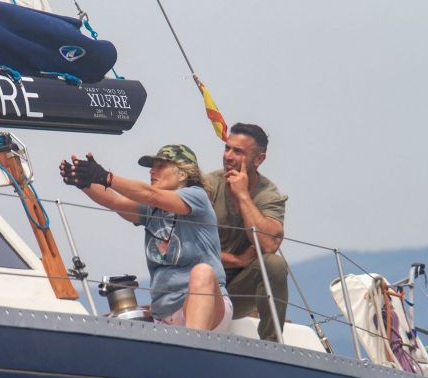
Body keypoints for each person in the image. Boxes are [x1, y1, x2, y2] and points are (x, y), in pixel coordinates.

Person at [60, 144, 233, 332]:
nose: (152, 171)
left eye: (160, 166)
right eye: (152, 167)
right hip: (165, 316)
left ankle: (193, 344)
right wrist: (85, 182)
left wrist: (107, 177)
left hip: (209, 309)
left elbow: (152, 195)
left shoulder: (197, 197)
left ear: (183, 174)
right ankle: (187, 342)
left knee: (203, 272)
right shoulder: (153, 209)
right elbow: (116, 202)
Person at [206, 123, 289, 342]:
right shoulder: (208, 186)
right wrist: (236, 260)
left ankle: (272, 345)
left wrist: (243, 196)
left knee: (274, 264)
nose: (228, 156)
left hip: (237, 290)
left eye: (238, 151)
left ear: (259, 159)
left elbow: (268, 246)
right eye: (227, 148)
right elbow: (188, 247)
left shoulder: (269, 195)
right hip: (202, 284)